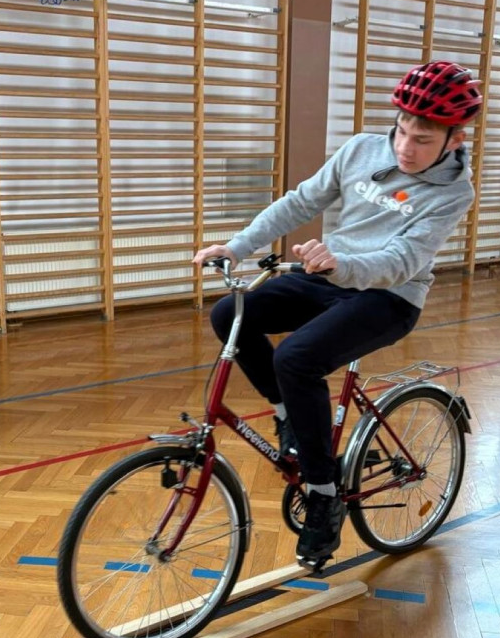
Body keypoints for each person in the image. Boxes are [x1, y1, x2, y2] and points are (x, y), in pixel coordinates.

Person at [193, 60, 482, 566]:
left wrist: (342, 263)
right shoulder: (361, 151)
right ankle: (288, 418)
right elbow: (300, 202)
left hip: (388, 297)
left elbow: (403, 262)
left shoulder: (453, 193)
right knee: (229, 315)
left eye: (422, 140)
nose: (405, 148)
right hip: (327, 276)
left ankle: (324, 495)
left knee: (296, 359)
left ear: (454, 140)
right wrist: (236, 247)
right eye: (402, 131)